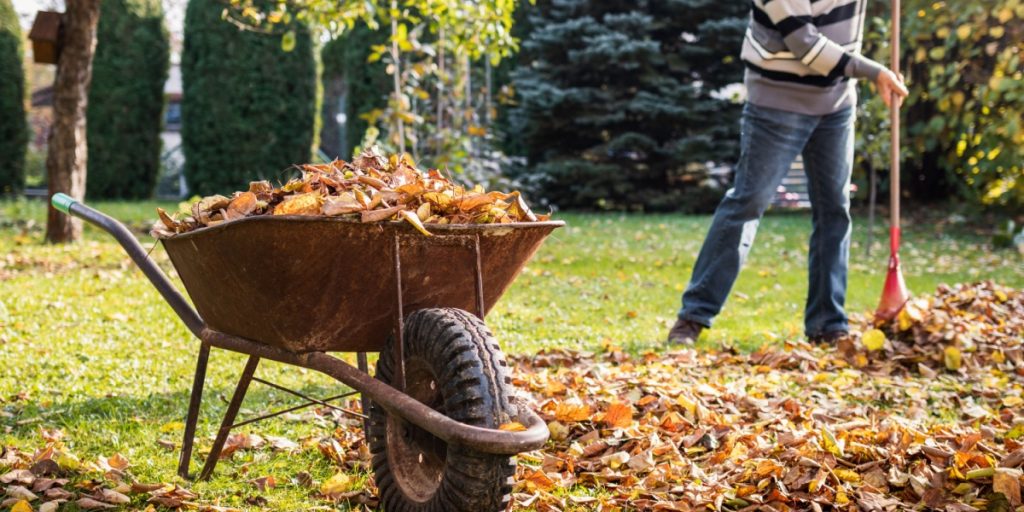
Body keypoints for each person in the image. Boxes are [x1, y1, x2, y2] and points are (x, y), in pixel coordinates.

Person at [667, 0, 908, 345]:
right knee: (748, 203)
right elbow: (805, 44)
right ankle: (692, 317)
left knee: (834, 211)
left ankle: (828, 325)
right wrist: (875, 72)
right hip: (777, 103)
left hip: (837, 104)